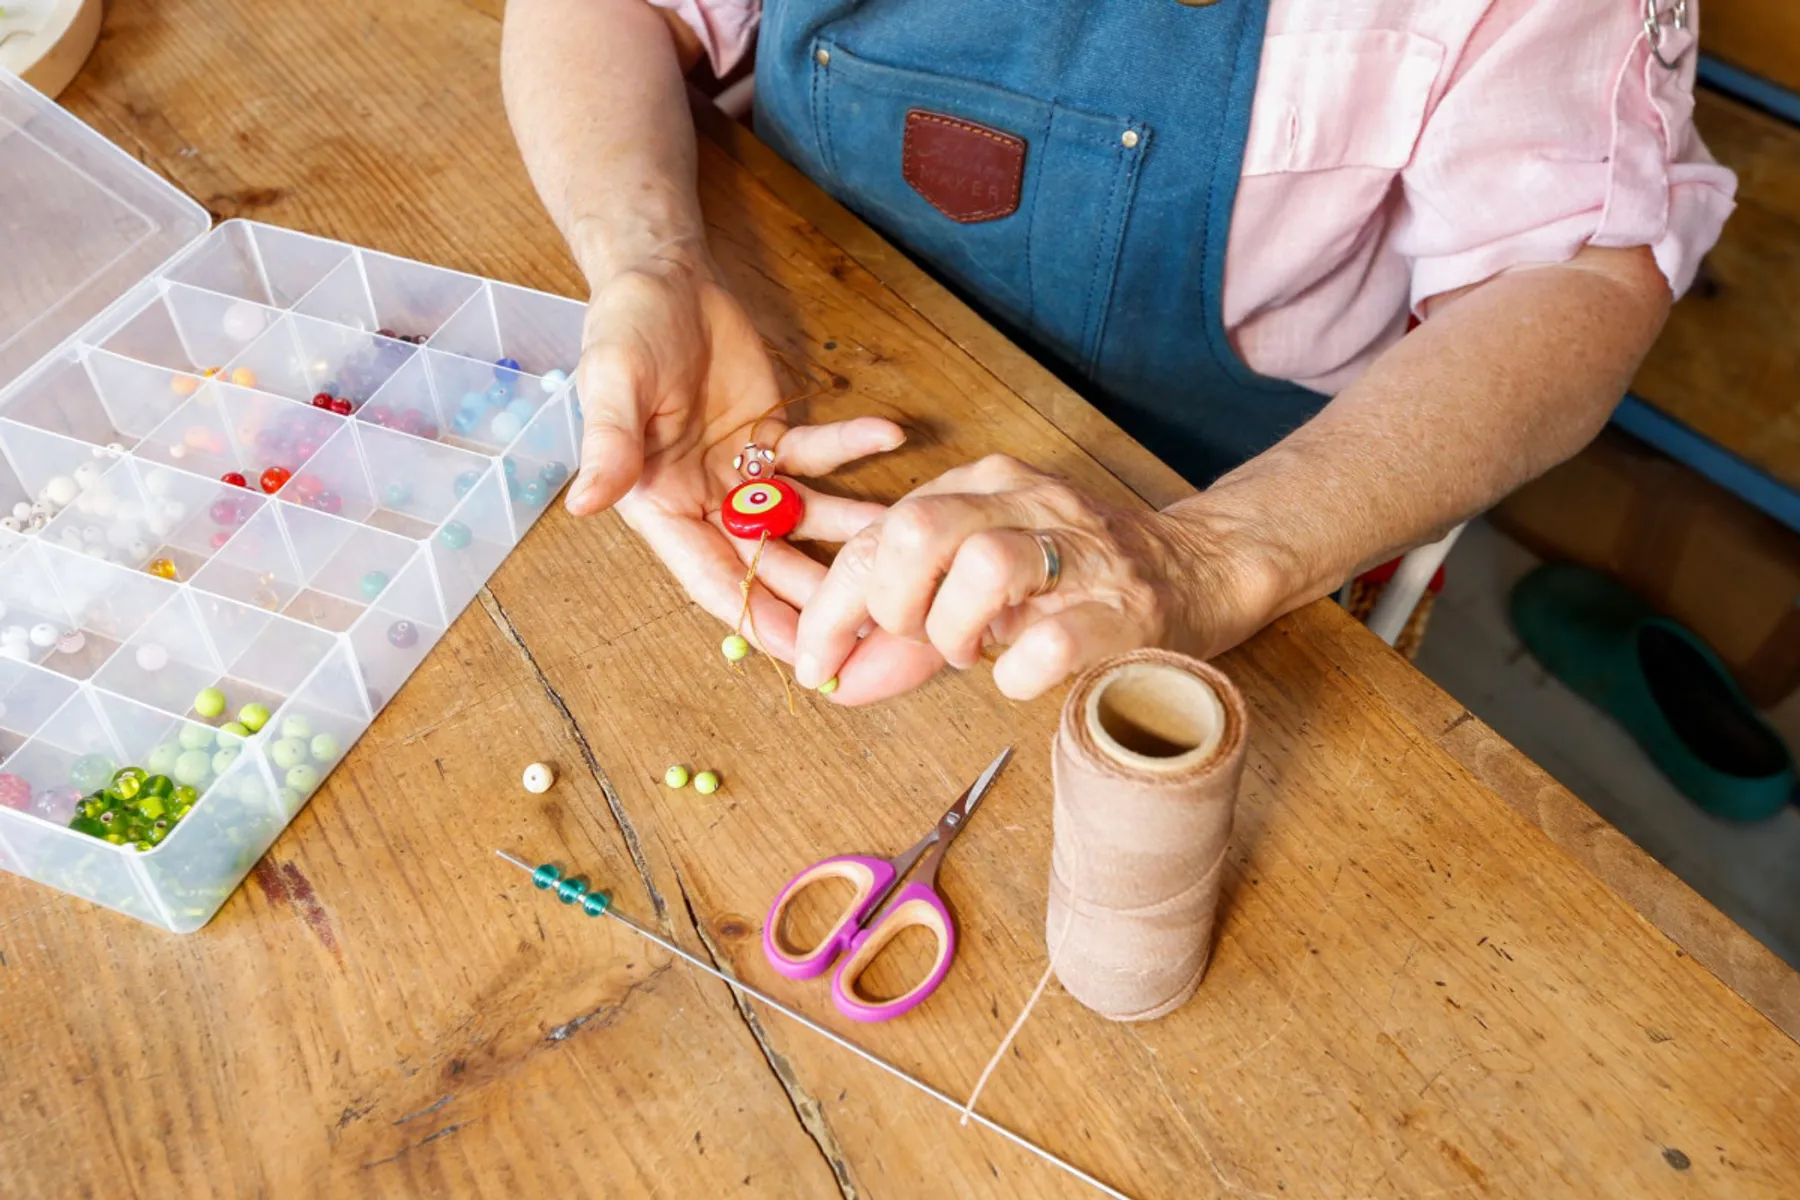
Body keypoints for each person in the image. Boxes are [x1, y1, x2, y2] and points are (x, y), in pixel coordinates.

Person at [501, 0, 1733, 706]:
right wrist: (648, 259)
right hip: (788, 417)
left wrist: (1212, 557)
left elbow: (1578, 275)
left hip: (1207, 543)